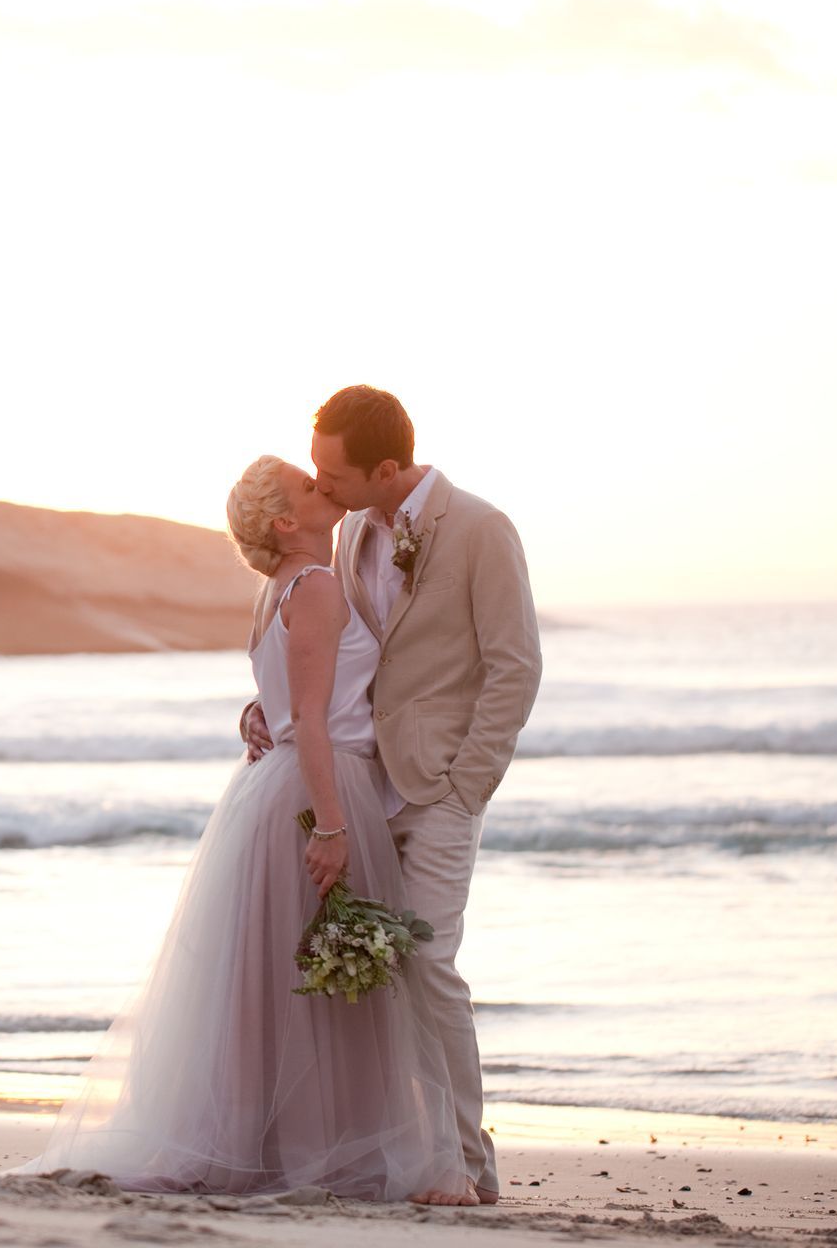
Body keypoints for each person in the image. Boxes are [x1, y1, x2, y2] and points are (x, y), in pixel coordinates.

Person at [7, 454, 465, 1201]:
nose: (325, 486)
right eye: (309, 486)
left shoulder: (279, 589)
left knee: (288, 981)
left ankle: (279, 1147)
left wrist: (266, 717)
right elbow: (312, 718)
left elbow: (284, 701)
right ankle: (317, 1154)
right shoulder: (314, 587)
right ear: (288, 522)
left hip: (274, 787)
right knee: (321, 986)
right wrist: (333, 825)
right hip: (317, 789)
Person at [242, 385, 542, 1205]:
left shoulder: (480, 530)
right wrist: (261, 709)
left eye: (330, 474)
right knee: (383, 972)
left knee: (429, 964)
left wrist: (465, 787)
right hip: (367, 790)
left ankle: (471, 1164)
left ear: (385, 468)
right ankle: (423, 1152)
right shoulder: (352, 538)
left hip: (440, 789)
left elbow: (514, 666)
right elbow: (336, 664)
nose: (319, 485)